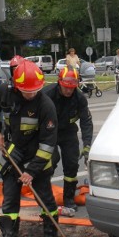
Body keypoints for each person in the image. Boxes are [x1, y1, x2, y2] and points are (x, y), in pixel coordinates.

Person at [0, 59, 60, 237]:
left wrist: (31, 171)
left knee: (44, 198)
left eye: (35, 90)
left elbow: (47, 145)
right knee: (9, 199)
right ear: (17, 87)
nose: (31, 94)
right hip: (13, 154)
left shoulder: (46, 105)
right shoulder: (4, 92)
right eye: (27, 91)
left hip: (37, 157)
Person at [43, 66, 93, 217]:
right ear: (59, 83)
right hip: (49, 132)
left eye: (72, 88)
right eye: (66, 88)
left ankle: (69, 199)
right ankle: (45, 197)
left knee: (71, 165)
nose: (69, 91)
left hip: (68, 132)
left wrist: (87, 146)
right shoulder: (47, 94)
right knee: (48, 162)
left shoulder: (79, 98)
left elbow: (86, 122)